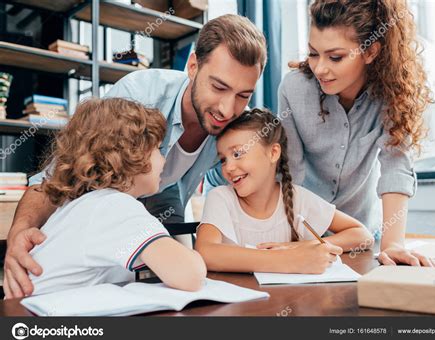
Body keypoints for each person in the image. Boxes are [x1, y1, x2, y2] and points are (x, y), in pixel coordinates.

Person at [4, 14, 267, 298]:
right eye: (218, 87)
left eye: (243, 96)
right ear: (193, 66)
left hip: (162, 200)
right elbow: (55, 181)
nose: (228, 110)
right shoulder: (138, 97)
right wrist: (19, 233)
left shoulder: (235, 130)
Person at [278, 0, 435, 266]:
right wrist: (293, 242)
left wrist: (393, 244)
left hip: (360, 238)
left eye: (335, 57)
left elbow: (395, 167)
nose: (320, 68)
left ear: (370, 51)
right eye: (313, 53)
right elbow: (289, 173)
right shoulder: (293, 90)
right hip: (306, 236)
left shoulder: (393, 97)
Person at [28, 98, 206, 296]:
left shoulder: (82, 205)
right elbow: (190, 275)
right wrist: (197, 258)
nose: (164, 158)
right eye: (157, 148)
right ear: (131, 154)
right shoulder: (115, 206)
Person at [195, 109, 373, 273]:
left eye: (237, 154)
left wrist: (303, 248)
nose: (229, 167)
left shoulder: (297, 198)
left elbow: (362, 234)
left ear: (273, 153)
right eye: (223, 160)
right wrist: (288, 260)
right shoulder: (221, 198)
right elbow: (206, 252)